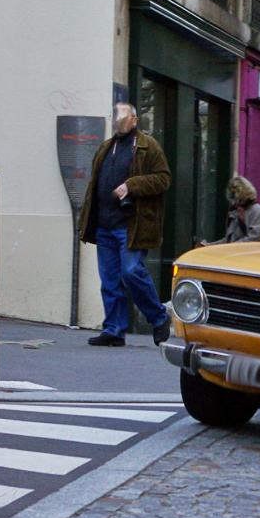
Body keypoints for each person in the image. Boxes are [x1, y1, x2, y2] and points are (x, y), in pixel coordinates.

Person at [79, 102, 171, 347]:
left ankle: (159, 317)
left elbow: (163, 179)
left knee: (131, 272)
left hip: (132, 224)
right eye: (116, 116)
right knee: (109, 279)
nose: (118, 121)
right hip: (105, 225)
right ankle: (114, 329)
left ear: (134, 119)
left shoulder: (147, 146)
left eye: (123, 116)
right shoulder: (105, 147)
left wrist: (132, 185)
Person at [199, 176, 260, 246]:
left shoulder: (258, 211)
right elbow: (229, 240)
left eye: (235, 196)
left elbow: (253, 239)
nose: (234, 202)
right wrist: (209, 246)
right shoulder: (234, 211)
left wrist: (229, 247)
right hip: (232, 252)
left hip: (247, 254)